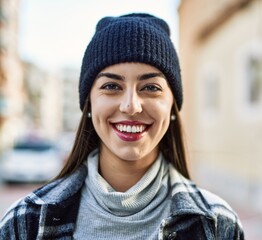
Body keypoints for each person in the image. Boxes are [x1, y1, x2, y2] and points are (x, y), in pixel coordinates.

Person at [0, 13, 244, 239]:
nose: (131, 106)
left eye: (150, 88)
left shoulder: (217, 225)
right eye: (111, 86)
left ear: (171, 105)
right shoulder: (25, 222)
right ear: (89, 103)